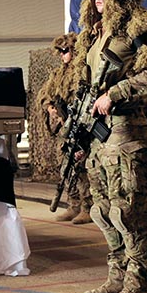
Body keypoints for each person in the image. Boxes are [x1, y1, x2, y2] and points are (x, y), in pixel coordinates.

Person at [76, 0, 147, 293]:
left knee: (129, 211)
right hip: (100, 139)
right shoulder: (94, 34)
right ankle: (118, 275)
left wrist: (114, 95)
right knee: (103, 210)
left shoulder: (139, 28)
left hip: (128, 134)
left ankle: (140, 283)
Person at [36, 32, 92, 224]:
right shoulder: (59, 74)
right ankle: (73, 205)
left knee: (81, 168)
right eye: (59, 51)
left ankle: (88, 207)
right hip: (65, 129)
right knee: (66, 169)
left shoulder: (83, 71)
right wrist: (51, 108)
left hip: (79, 127)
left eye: (65, 50)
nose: (62, 54)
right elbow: (45, 95)